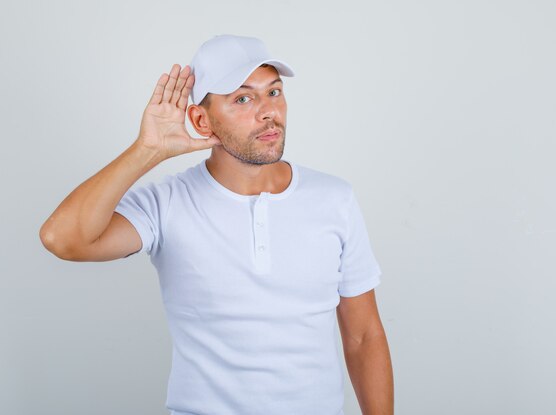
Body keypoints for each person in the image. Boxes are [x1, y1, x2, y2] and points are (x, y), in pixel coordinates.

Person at [40, 34, 393, 415]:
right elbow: (63, 239)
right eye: (242, 98)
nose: (267, 111)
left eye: (274, 92)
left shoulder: (334, 198)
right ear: (200, 119)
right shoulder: (166, 203)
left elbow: (363, 336)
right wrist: (147, 151)